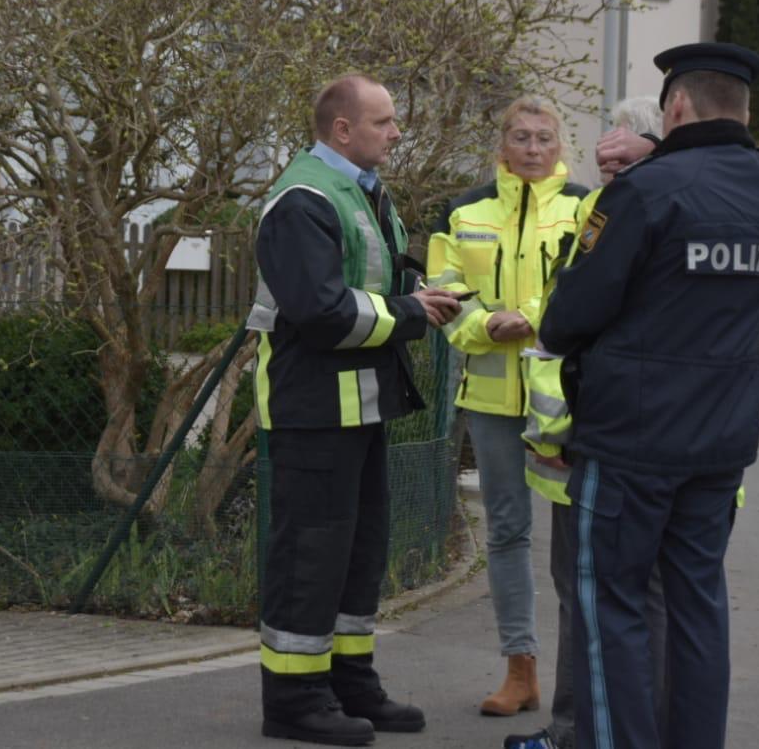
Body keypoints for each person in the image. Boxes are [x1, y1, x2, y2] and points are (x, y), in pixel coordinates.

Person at [539, 43, 759, 749]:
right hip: (721, 436)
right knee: (695, 604)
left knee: (609, 607)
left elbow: (568, 319)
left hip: (631, 439)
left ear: (674, 106)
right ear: (742, 108)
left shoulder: (646, 190)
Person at [248, 74, 461, 747]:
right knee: (309, 559)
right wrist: (410, 312)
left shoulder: (360, 191)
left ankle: (349, 683)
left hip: (358, 407)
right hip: (314, 410)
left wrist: (431, 294)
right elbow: (319, 312)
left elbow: (380, 280)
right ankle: (293, 700)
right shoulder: (302, 198)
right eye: (384, 121)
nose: (397, 132)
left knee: (356, 554)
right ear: (342, 129)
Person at [502, 97, 659, 749]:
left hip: (603, 447)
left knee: (600, 598)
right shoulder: (642, 213)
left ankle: (578, 735)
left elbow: (567, 331)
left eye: (628, 141)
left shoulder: (618, 220)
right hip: (641, 446)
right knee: (631, 600)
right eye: (606, 137)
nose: (610, 151)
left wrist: (558, 431)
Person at [425, 96, 588, 719]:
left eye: (544, 137)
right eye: (520, 136)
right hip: (491, 400)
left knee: (577, 535)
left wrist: (535, 319)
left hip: (566, 402)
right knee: (507, 532)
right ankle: (520, 669)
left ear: (559, 144)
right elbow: (444, 291)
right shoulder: (464, 210)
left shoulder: (584, 207)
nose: (532, 148)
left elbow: (590, 290)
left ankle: (580, 673)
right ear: (502, 145)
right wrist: (484, 323)